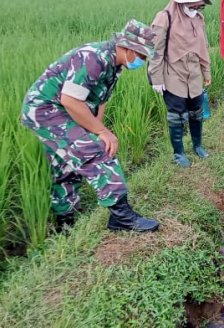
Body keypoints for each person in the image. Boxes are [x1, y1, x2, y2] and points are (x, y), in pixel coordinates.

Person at [21, 19, 159, 232]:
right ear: (126, 47)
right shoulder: (93, 58)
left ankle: (65, 223)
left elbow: (99, 100)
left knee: (66, 165)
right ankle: (121, 217)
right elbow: (70, 100)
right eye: (141, 55)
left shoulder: (114, 65)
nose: (142, 60)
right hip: (46, 110)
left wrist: (96, 130)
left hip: (63, 109)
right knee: (95, 153)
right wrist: (102, 133)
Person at [148, 0, 212, 168]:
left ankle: (198, 145)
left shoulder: (198, 18)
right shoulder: (164, 17)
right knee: (176, 114)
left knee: (196, 110)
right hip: (173, 73)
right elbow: (155, 51)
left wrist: (206, 71)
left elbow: (204, 46)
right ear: (183, 0)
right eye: (195, 3)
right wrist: (156, 78)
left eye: (200, 4)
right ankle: (179, 153)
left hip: (194, 74)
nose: (198, 7)